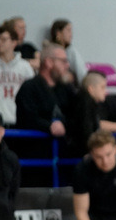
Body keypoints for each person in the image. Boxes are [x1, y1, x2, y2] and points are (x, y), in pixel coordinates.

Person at [14, 42, 72, 186]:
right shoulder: (29, 88)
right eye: (63, 61)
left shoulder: (66, 89)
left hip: (62, 158)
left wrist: (64, 125)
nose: (67, 65)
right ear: (49, 62)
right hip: (35, 159)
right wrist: (49, 126)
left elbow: (76, 114)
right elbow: (26, 118)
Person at [0, 23, 36, 125]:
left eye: (3, 40)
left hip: (20, 121)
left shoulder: (25, 67)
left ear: (14, 43)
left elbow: (32, 94)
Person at [67, 71, 107, 159]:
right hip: (79, 154)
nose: (106, 92)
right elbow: (85, 129)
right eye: (102, 87)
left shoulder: (87, 102)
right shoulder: (84, 103)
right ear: (91, 88)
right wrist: (88, 151)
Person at [49, 18, 87, 83]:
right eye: (68, 30)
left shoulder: (71, 51)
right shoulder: (48, 51)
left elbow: (82, 74)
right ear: (58, 33)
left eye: (71, 31)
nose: (71, 35)